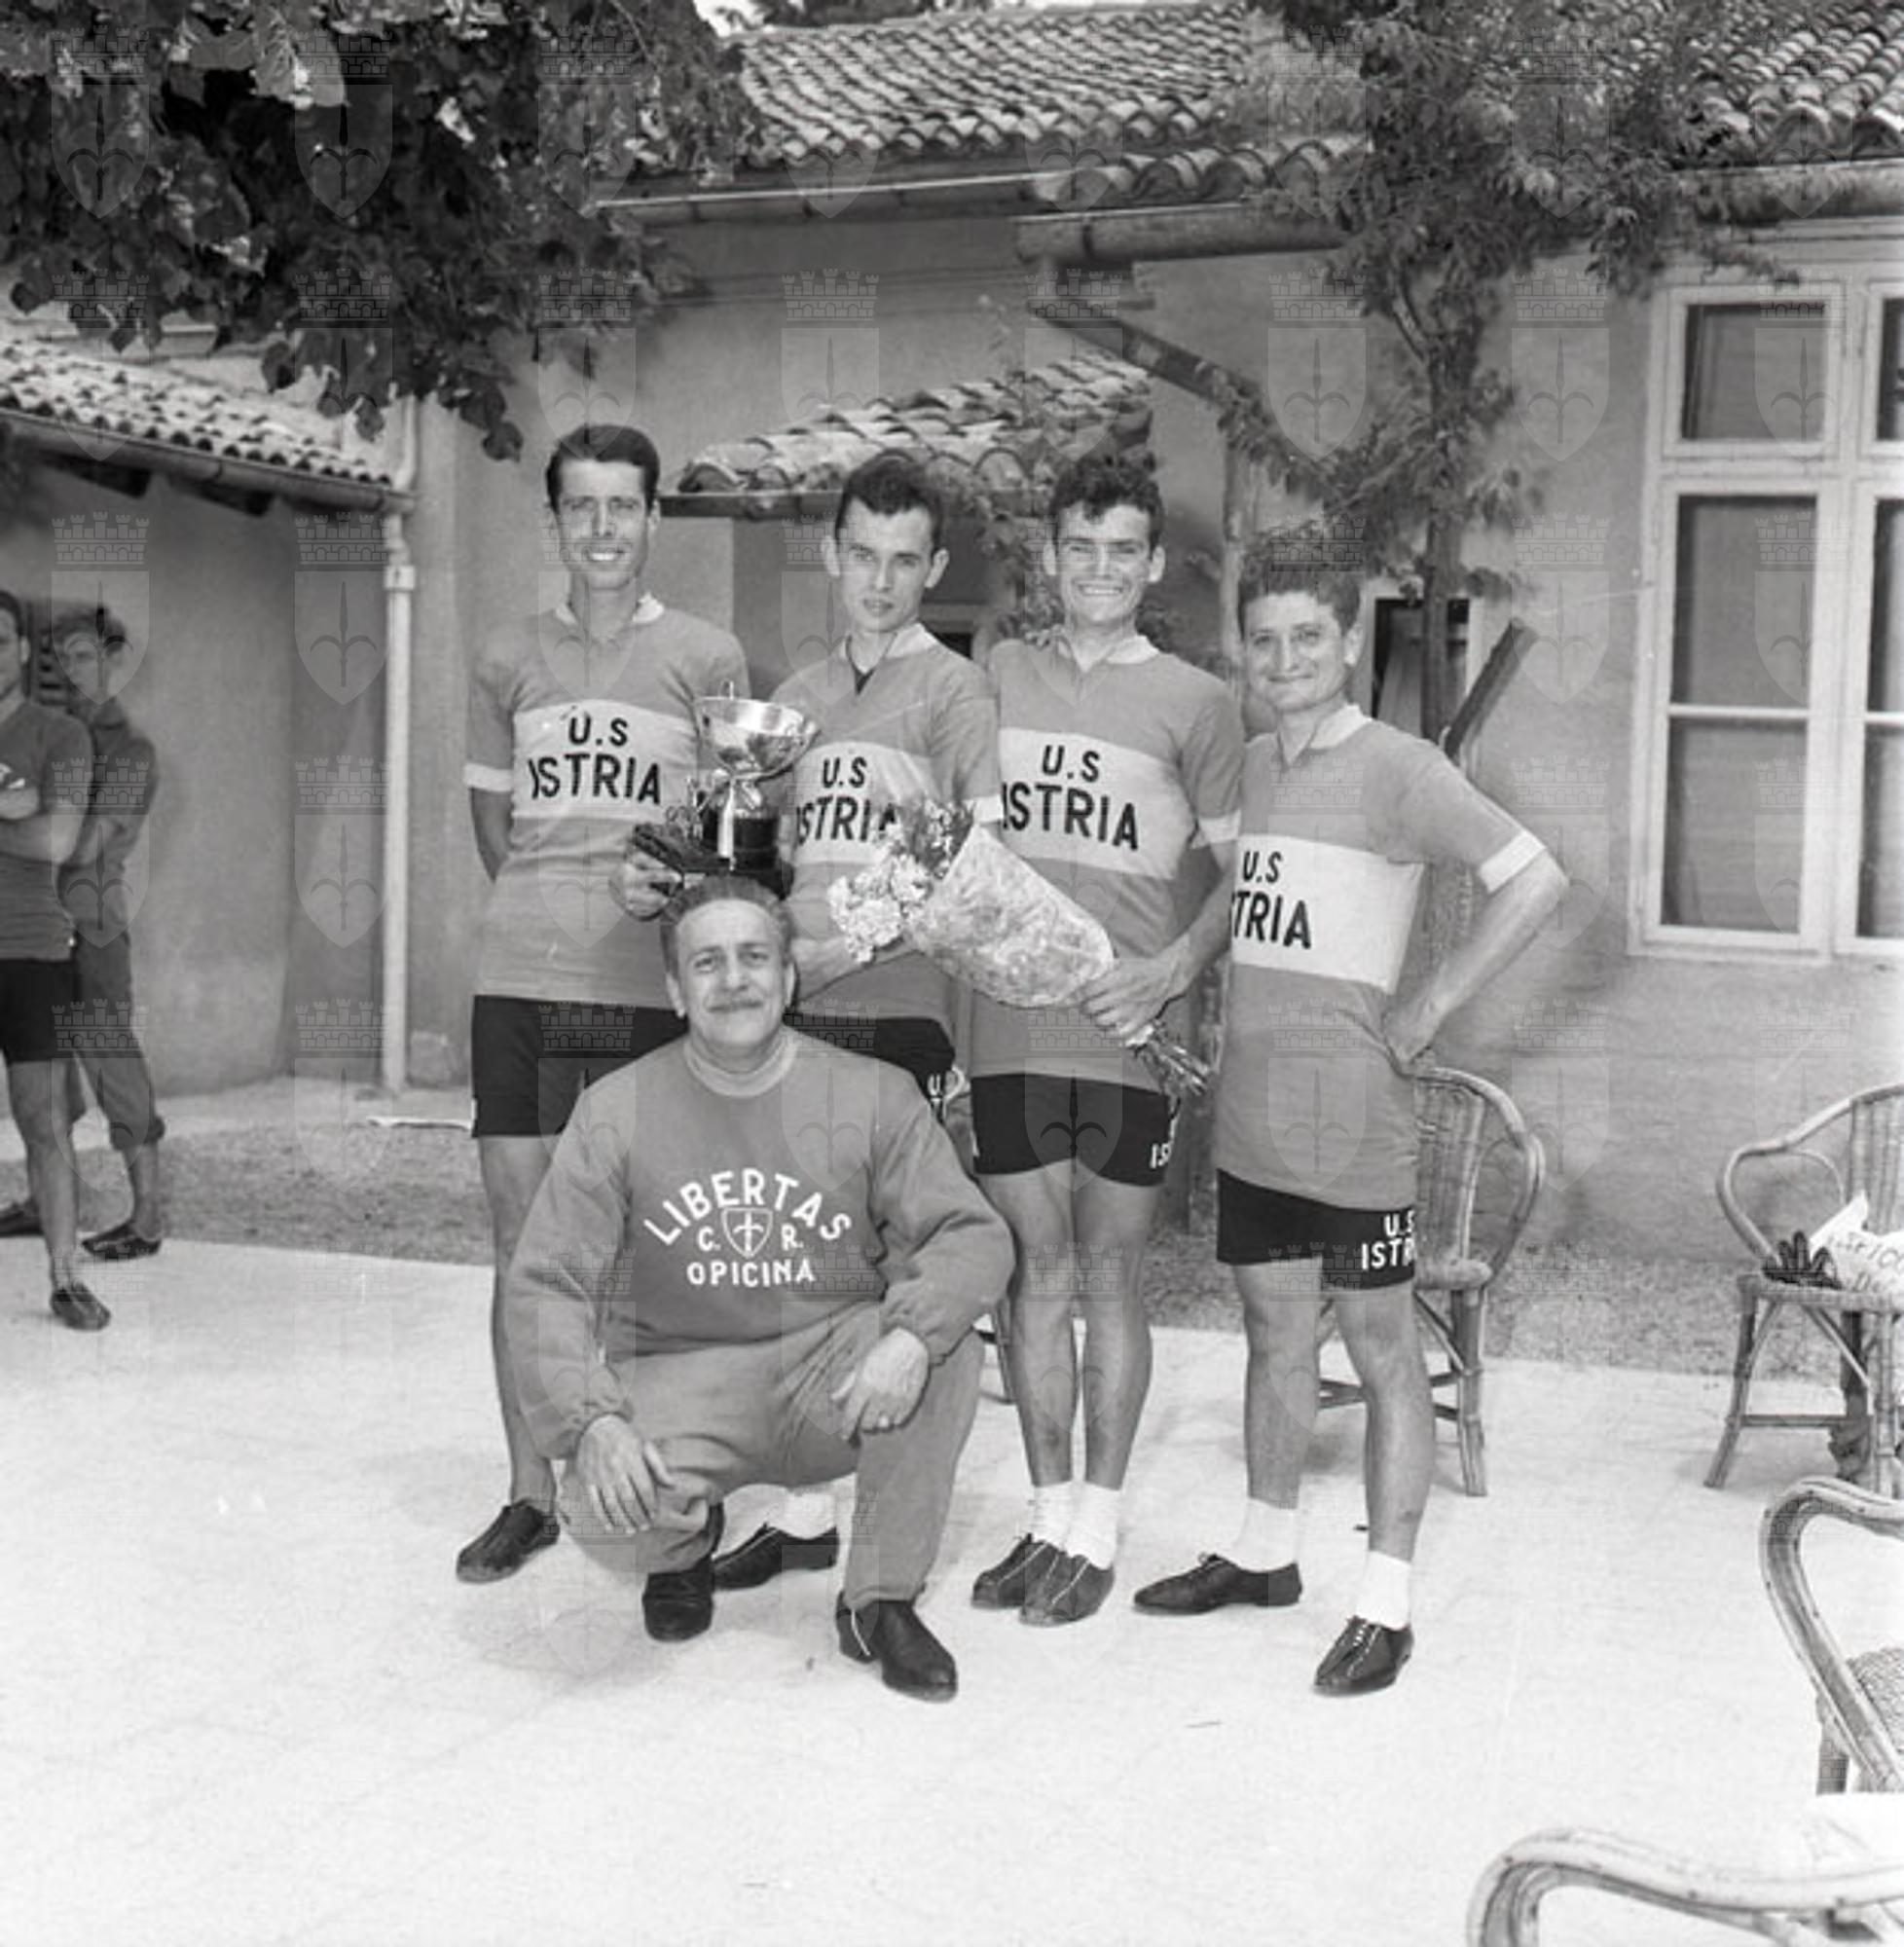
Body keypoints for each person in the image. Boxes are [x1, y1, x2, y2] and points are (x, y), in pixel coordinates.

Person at [1132, 532, 1566, 1695]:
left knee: (1381, 1353)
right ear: (1243, 647)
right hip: (1255, 1115)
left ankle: (1386, 1604)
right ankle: (1265, 1551)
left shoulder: (1400, 768)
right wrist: (1184, 969)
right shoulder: (1258, 765)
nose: (1284, 660)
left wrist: (1432, 1004)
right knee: (1274, 1336)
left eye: (1308, 637)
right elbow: (1250, 892)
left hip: (1356, 1123)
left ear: (1351, 638)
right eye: (1264, 640)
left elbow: (1536, 878)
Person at [504, 876, 1009, 1701]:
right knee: (600, 1510)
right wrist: (589, 1420)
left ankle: (878, 1600)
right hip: (683, 1372)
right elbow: (546, 1284)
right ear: (676, 991)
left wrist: (912, 1337)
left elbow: (971, 1234)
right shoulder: (615, 1110)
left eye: (754, 958)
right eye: (707, 963)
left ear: (789, 976)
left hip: (829, 1370)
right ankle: (682, 1545)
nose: (734, 980)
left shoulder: (871, 1093)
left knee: (943, 1353)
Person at [458, 422, 749, 1585]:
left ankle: (662, 1498)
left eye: (622, 504)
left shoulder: (708, 655)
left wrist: (654, 900)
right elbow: (496, 827)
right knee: (524, 1249)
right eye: (580, 506)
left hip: (641, 992)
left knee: (642, 1253)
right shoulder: (505, 655)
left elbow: (731, 835)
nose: (602, 527)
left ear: (654, 517)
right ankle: (531, 1490)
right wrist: (557, 906)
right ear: (555, 521)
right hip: (520, 984)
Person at [710, 454, 1002, 1594]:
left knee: (898, 1275)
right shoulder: (797, 696)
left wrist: (852, 946)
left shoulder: (956, 690)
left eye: (904, 560)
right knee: (800, 1260)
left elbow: (973, 856)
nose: (880, 581)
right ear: (832, 554)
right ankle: (802, 1510)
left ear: (934, 567)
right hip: (802, 1019)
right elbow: (762, 849)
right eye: (863, 556)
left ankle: (881, 1566)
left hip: (901, 1008)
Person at [966, 455, 1244, 1627]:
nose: (1099, 567)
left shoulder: (1200, 700)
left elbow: (1242, 875)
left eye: (1122, 548)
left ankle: (1100, 1521)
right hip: (1009, 1027)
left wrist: (1173, 970)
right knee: (1035, 1272)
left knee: (1114, 1275)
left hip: (1130, 1031)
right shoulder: (997, 674)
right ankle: (1046, 1517)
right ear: (1049, 554)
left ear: (1154, 561)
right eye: (1079, 546)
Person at [0, 607, 166, 1257]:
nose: (72, 670)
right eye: (62, 658)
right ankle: (45, 1202)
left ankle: (147, 1215)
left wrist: (37, 814)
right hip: (32, 928)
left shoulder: (132, 753)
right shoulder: (40, 734)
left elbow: (81, 844)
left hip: (91, 925)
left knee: (111, 1061)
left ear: (114, 661)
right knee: (47, 1079)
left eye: (85, 656)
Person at [0, 592, 108, 1330]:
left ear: (19, 650)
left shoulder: (61, 735)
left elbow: (56, 843)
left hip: (32, 953)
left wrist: (37, 816)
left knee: (44, 1119)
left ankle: (67, 1279)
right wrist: (13, 805)